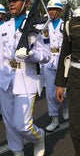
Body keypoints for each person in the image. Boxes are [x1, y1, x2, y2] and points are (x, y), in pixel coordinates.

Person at [0, 0, 51, 156]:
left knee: (23, 124)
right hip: (6, 79)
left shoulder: (38, 24)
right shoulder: (5, 27)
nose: (12, 4)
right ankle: (17, 151)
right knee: (9, 122)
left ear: (27, 3)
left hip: (26, 79)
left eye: (16, 0)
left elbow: (46, 55)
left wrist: (30, 54)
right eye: (10, 1)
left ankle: (38, 137)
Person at [55, 8, 80, 156]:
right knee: (76, 125)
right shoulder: (71, 25)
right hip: (76, 75)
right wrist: (60, 84)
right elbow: (65, 53)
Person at [42, 0, 68, 133]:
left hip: (62, 61)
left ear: (59, 11)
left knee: (63, 90)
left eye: (54, 9)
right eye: (49, 9)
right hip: (48, 62)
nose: (51, 11)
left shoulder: (65, 25)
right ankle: (54, 119)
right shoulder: (44, 25)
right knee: (50, 93)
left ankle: (65, 106)